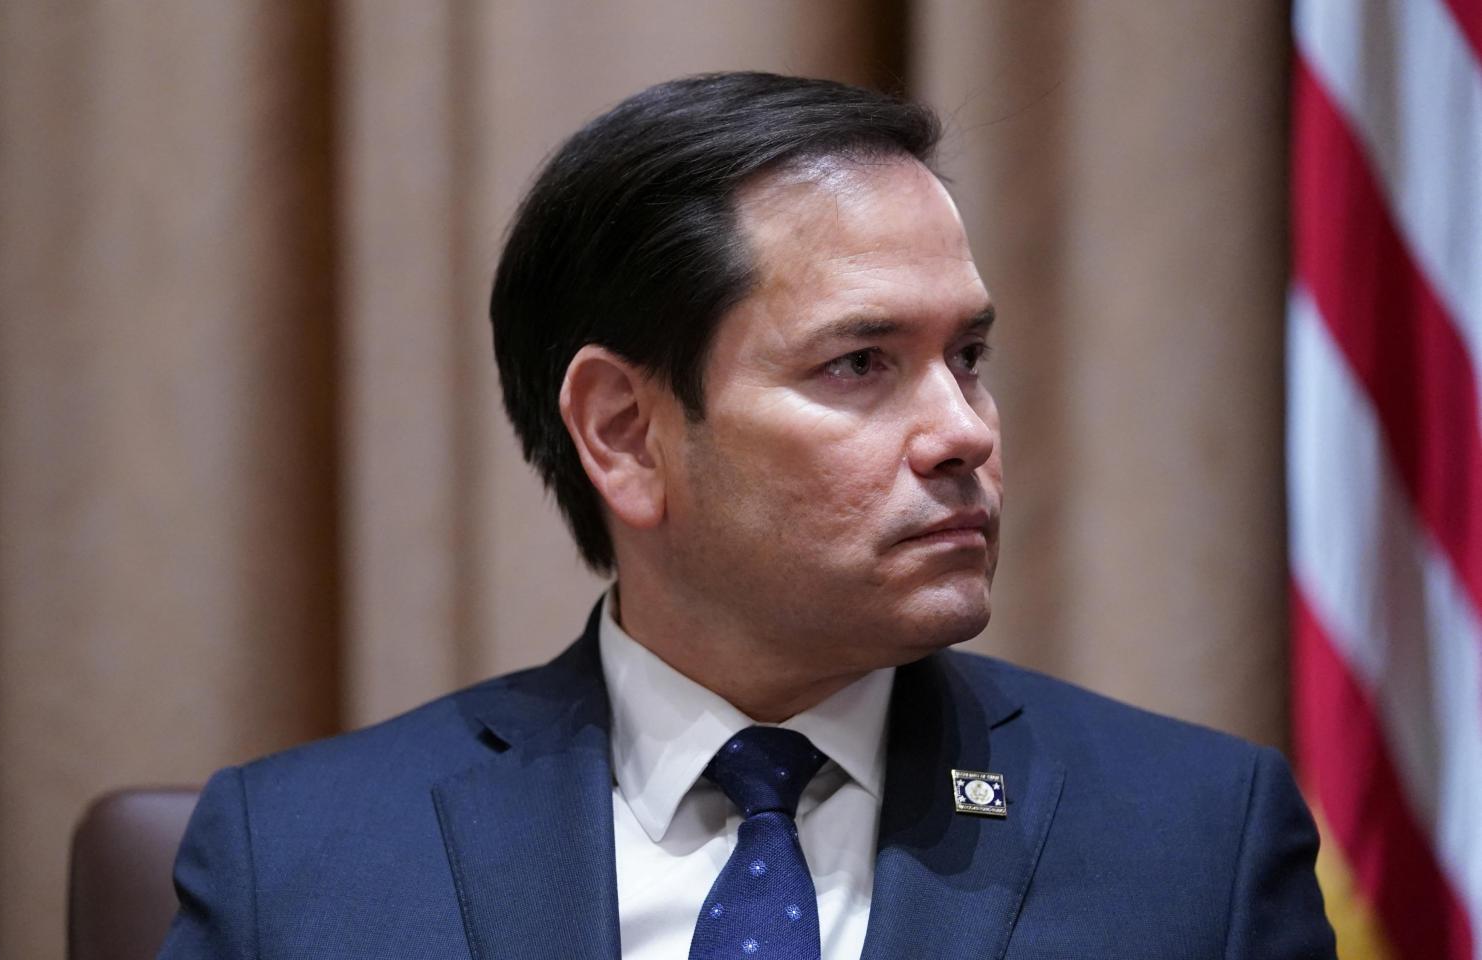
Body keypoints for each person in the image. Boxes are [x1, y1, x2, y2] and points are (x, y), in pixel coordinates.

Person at [158, 72, 1336, 959]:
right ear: (624, 431)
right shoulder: (298, 860)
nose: (964, 431)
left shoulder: (1194, 842)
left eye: (967, 356)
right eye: (859, 363)